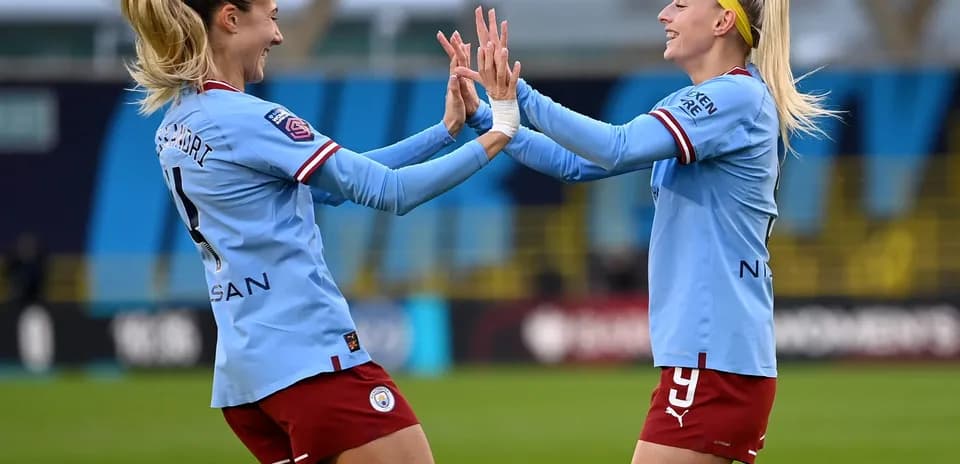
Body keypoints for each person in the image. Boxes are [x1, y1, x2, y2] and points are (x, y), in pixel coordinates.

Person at [119, 1, 521, 463]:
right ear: (231, 19)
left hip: (247, 384)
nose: (278, 35)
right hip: (312, 364)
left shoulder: (175, 125)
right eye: (271, 17)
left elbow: (329, 189)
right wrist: (501, 130)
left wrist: (446, 131)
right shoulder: (248, 118)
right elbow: (390, 191)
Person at [449, 2, 836, 463]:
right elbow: (574, 164)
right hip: (719, 357)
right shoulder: (705, 103)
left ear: (722, 21)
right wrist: (489, 120)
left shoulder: (734, 98)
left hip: (712, 358)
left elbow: (616, 147)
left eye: (681, 2)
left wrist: (520, 95)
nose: (663, 14)